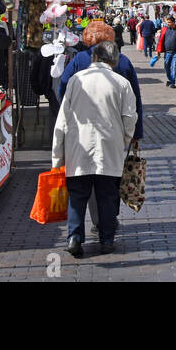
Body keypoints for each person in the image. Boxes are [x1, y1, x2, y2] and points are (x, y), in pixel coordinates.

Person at [51, 41, 138, 258]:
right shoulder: (121, 83)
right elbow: (129, 118)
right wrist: (124, 139)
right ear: (114, 60)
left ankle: (74, 237)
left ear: (95, 58)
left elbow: (63, 118)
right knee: (107, 196)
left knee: (77, 195)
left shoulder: (75, 80)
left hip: (78, 146)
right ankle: (107, 239)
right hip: (109, 147)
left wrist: (56, 155)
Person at [156, 16, 176, 87]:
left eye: (169, 22)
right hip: (167, 52)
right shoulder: (164, 29)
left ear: (173, 22)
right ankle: (170, 79)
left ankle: (172, 82)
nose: (167, 23)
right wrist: (157, 50)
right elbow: (160, 40)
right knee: (166, 66)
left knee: (174, 67)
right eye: (167, 22)